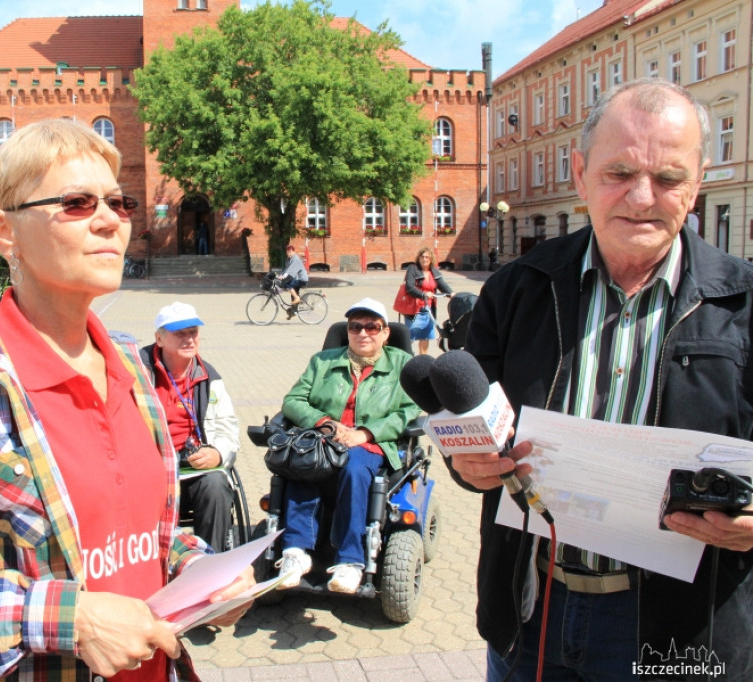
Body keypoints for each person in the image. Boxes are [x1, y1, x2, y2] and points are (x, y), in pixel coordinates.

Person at [0, 118, 254, 682]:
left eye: (119, 203)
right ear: (5, 231)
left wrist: (199, 572)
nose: (110, 221)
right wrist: (73, 620)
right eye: (76, 203)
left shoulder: (130, 363)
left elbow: (141, 532)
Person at [449, 79, 753, 681]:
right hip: (531, 609)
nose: (642, 198)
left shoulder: (743, 302)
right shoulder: (516, 289)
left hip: (683, 625)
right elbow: (471, 424)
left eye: (668, 178)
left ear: (697, 182)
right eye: (619, 173)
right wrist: (467, 463)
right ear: (581, 172)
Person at [275, 298, 420, 593]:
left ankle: (350, 560)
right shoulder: (322, 362)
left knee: (353, 467)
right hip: (323, 439)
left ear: (386, 333)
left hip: (371, 445)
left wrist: (366, 433)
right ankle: (295, 553)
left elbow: (410, 410)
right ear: (348, 331)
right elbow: (293, 401)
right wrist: (324, 423)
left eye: (372, 327)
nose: (363, 333)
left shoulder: (403, 365)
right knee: (300, 463)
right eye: (355, 327)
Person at [140, 302, 239, 552]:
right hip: (151, 469)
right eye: (180, 333)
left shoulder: (209, 377)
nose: (189, 339)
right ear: (159, 338)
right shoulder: (138, 374)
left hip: (193, 470)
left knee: (216, 485)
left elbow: (228, 428)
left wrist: (217, 453)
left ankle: (212, 563)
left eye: (193, 332)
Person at [402, 246, 452, 355]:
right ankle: (405, 359)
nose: (424, 259)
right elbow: (409, 287)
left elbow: (442, 285)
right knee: (410, 337)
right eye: (422, 257)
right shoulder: (413, 269)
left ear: (431, 259)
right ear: (419, 258)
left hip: (429, 309)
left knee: (425, 337)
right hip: (414, 308)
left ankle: (423, 360)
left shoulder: (434, 272)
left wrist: (452, 294)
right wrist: (423, 294)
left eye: (427, 257)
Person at [279, 244, 309, 318]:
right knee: (293, 293)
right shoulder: (288, 259)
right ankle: (293, 312)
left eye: (290, 252)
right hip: (296, 278)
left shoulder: (295, 259)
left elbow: (291, 270)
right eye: (287, 252)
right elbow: (286, 269)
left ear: (293, 251)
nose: (288, 253)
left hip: (301, 278)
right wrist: (281, 275)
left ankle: (297, 298)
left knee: (288, 286)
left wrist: (284, 276)